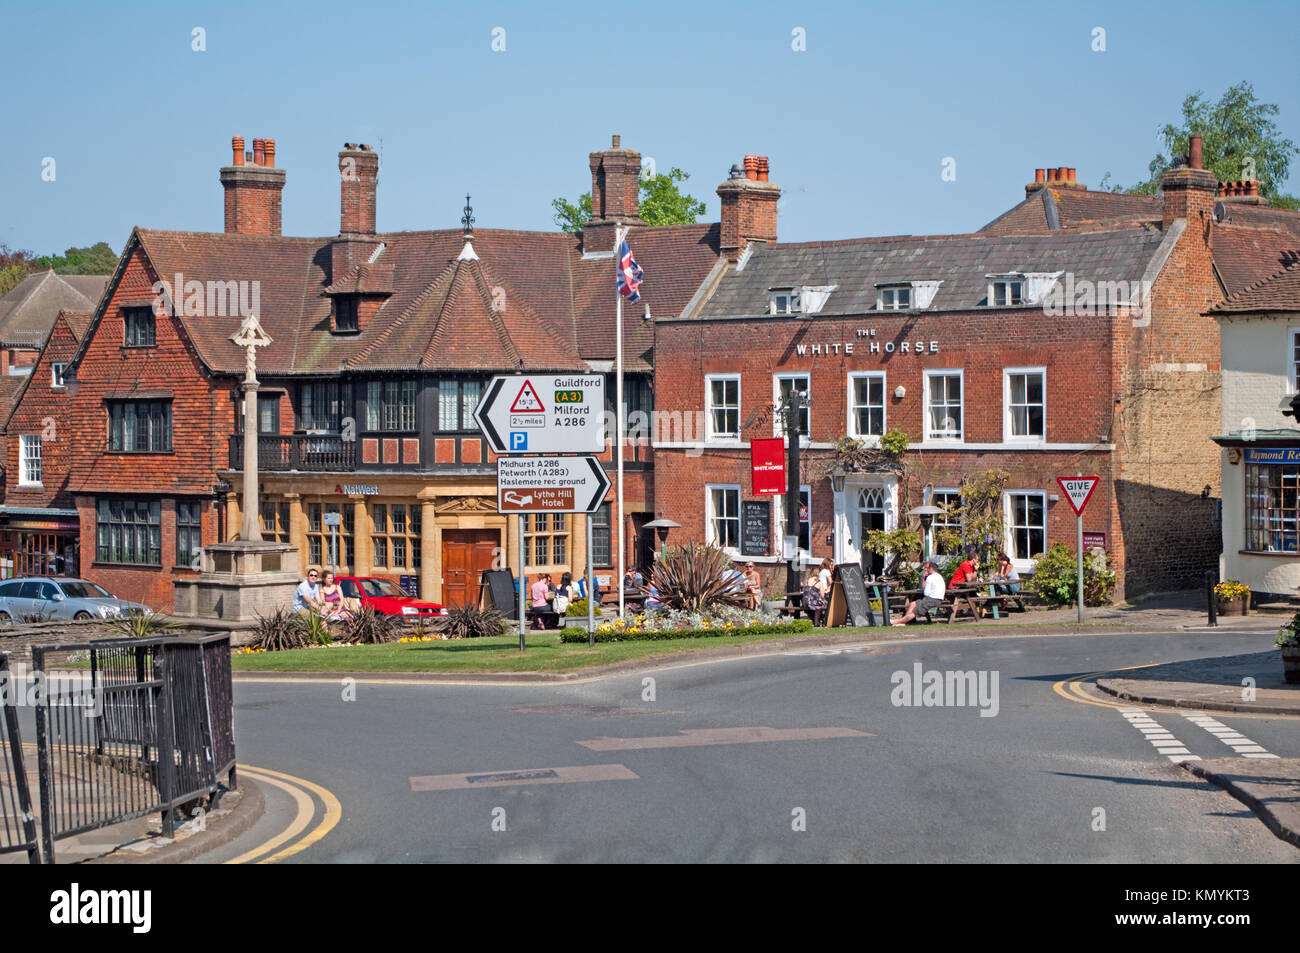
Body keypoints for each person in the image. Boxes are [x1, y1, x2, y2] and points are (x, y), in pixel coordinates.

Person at [893, 558, 946, 626]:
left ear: (931, 568)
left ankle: (897, 621)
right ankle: (903, 622)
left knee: (916, 610)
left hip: (932, 599)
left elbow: (926, 592)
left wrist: (925, 587)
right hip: (936, 598)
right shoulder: (939, 576)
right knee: (912, 604)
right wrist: (924, 578)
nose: (926, 570)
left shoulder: (931, 577)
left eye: (927, 568)